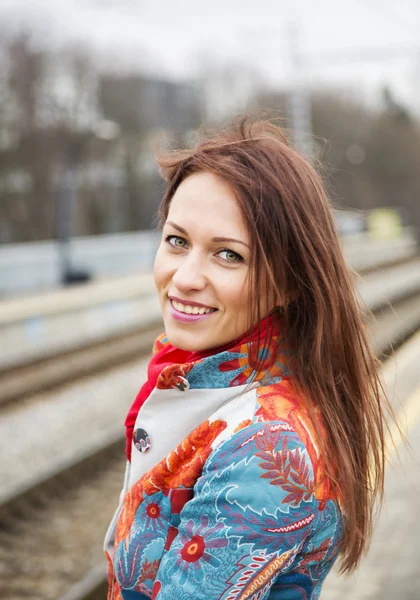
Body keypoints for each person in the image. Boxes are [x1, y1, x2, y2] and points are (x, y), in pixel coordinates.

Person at [104, 115, 394, 600]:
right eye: (177, 241)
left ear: (287, 283)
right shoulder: (205, 382)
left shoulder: (265, 449)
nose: (186, 277)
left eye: (228, 255)